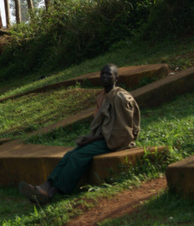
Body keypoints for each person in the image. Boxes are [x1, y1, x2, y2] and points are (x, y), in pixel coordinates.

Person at [19, 64, 140, 205]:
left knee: (77, 157)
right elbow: (102, 125)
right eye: (102, 74)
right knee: (69, 155)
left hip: (115, 141)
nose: (104, 77)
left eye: (109, 74)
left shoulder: (120, 98)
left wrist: (92, 139)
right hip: (103, 139)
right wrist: (90, 139)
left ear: (116, 78)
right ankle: (45, 187)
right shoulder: (102, 97)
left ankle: (51, 193)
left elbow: (121, 130)